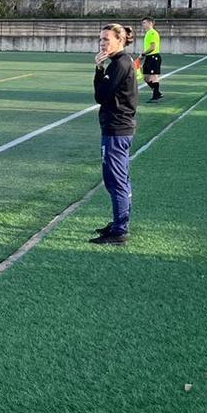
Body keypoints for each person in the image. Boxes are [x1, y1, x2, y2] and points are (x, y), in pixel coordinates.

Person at [91, 23, 138, 246]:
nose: (102, 43)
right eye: (101, 39)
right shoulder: (120, 62)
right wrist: (101, 69)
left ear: (120, 40)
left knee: (116, 180)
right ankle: (119, 223)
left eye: (106, 39)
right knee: (121, 178)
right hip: (120, 128)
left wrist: (99, 69)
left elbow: (101, 96)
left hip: (116, 130)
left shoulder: (119, 63)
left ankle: (120, 229)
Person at [140, 17, 163, 103]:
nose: (143, 25)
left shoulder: (152, 33)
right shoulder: (148, 33)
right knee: (146, 77)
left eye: (144, 22)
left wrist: (143, 53)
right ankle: (157, 92)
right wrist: (144, 54)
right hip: (149, 57)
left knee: (154, 76)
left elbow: (153, 47)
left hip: (154, 57)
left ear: (150, 23)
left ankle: (156, 95)